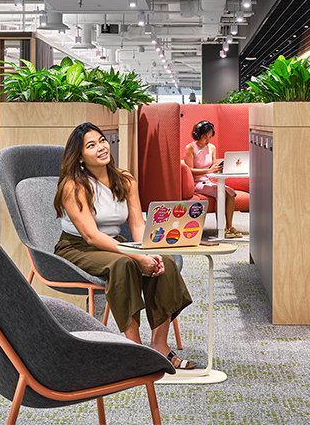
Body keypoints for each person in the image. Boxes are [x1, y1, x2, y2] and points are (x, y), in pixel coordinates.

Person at [53, 122, 195, 370]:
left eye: (102, 140)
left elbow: (138, 226)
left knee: (167, 263)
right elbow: (91, 236)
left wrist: (151, 253)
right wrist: (136, 257)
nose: (101, 147)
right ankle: (135, 348)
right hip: (77, 247)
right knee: (123, 265)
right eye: (91, 145)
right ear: (81, 157)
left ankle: (159, 344)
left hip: (115, 242)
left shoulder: (125, 180)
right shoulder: (73, 186)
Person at [183, 120, 242, 238]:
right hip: (197, 183)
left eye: (210, 137)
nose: (208, 140)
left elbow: (213, 166)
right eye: (205, 137)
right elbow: (189, 170)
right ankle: (220, 228)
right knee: (221, 193)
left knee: (231, 193)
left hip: (209, 181)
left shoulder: (212, 148)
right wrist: (208, 171)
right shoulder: (190, 148)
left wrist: (219, 168)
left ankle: (229, 228)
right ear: (197, 135)